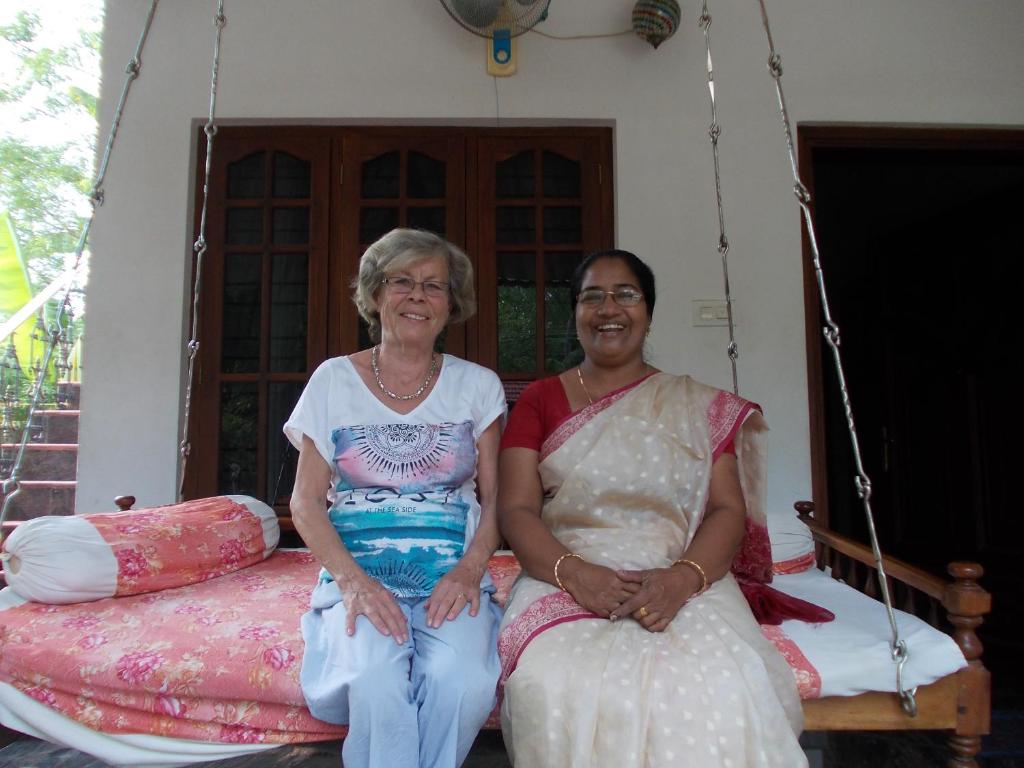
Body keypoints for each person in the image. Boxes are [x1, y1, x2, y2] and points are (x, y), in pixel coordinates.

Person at [497, 249, 812, 768]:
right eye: (591, 297)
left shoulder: (694, 406)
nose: (608, 309)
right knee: (549, 683)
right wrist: (575, 574)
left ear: (648, 310)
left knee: (730, 681)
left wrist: (682, 580)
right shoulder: (539, 400)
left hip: (684, 572)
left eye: (625, 295)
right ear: (574, 312)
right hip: (564, 570)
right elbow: (516, 511)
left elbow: (726, 510)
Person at [284, 228, 505, 768]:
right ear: (374, 294)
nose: (417, 296)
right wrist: (354, 584)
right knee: (376, 677)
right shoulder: (332, 381)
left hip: (452, 573)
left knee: (465, 681)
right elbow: (306, 503)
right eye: (401, 281)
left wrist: (470, 569)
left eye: (434, 286)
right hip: (358, 573)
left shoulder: (478, 386)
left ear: (451, 305)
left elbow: (497, 500)